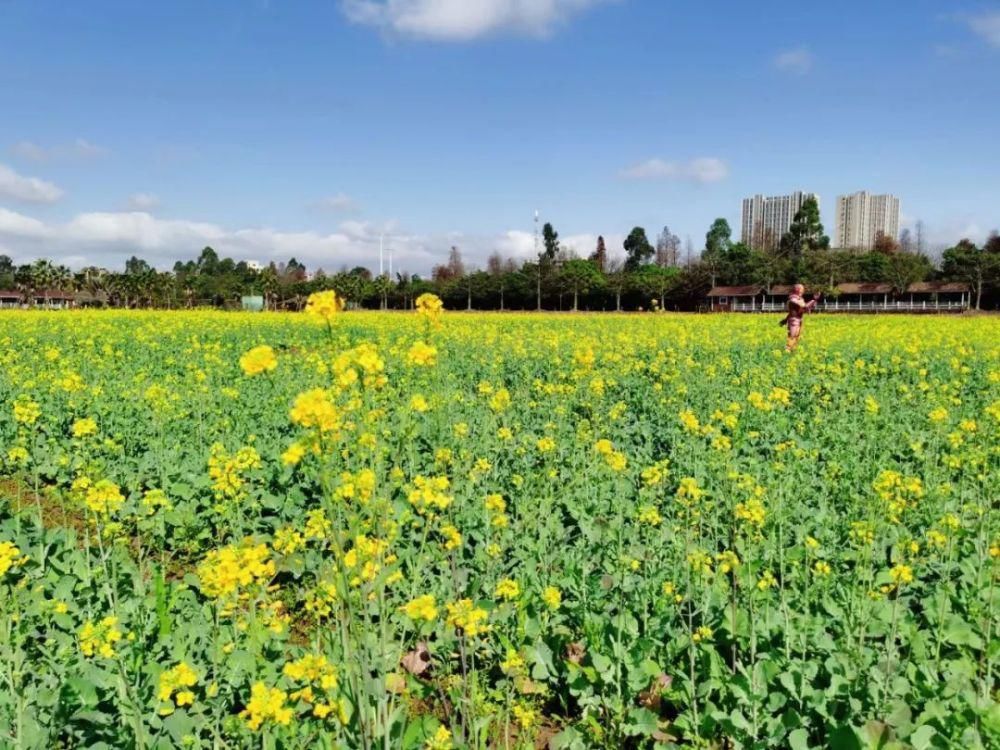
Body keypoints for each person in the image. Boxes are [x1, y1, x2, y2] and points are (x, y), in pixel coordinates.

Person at [783, 284, 820, 352]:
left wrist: (813, 301)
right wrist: (813, 299)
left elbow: (803, 309)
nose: (803, 291)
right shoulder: (793, 299)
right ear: (797, 290)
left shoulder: (799, 299)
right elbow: (804, 307)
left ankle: (792, 351)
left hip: (798, 320)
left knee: (796, 337)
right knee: (792, 336)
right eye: (802, 289)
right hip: (794, 320)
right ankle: (787, 351)